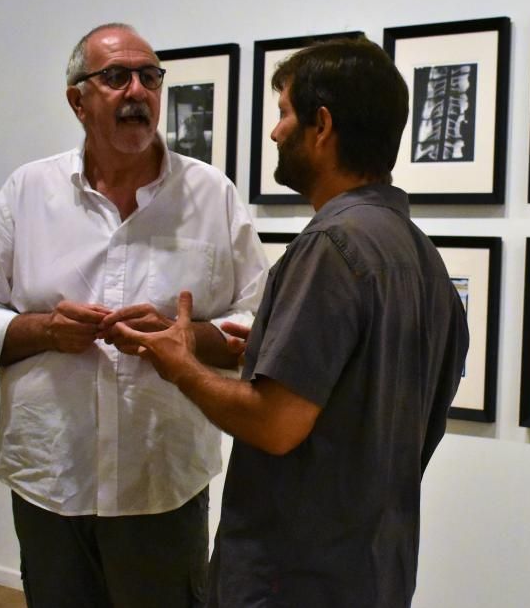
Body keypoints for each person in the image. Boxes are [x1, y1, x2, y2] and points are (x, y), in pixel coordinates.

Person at [112, 37, 470, 607]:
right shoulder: (422, 259)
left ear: (321, 127)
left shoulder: (332, 246)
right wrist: (275, 350)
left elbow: (276, 425)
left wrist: (179, 365)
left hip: (294, 579)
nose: (276, 131)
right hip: (376, 571)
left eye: (284, 113)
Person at [0, 22, 269, 607]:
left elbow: (259, 321)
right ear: (78, 100)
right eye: (115, 77)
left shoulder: (212, 195)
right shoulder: (27, 192)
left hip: (161, 486)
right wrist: (43, 330)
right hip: (50, 483)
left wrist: (187, 339)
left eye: (149, 76)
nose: (137, 91)